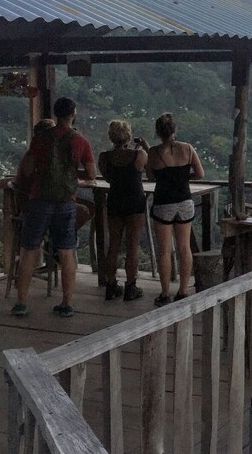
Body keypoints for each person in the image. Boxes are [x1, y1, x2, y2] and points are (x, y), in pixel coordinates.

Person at [11, 98, 96, 317]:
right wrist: (71, 178)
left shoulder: (40, 139)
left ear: (56, 114)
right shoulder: (80, 141)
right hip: (66, 201)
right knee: (67, 251)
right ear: (73, 114)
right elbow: (91, 175)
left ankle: (21, 302)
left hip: (39, 199)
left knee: (29, 250)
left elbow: (28, 169)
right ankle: (67, 303)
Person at [146, 112, 204, 306]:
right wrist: (184, 178)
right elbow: (200, 173)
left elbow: (152, 177)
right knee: (184, 247)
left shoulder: (153, 153)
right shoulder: (187, 149)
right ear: (174, 130)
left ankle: (164, 293)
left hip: (163, 202)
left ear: (158, 132)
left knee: (164, 250)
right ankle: (183, 290)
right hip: (184, 201)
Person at [98, 120, 148, 301]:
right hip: (135, 201)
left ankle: (111, 285)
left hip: (115, 200)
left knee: (114, 244)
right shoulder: (138, 155)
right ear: (128, 135)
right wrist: (146, 147)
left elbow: (109, 178)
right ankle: (130, 286)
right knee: (132, 246)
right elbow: (150, 172)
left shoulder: (104, 157)